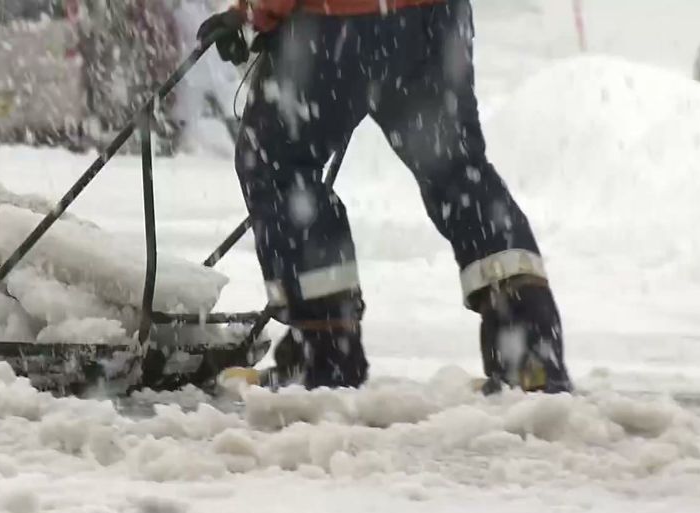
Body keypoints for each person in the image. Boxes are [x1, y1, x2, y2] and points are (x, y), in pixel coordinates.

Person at [199, 0, 572, 393]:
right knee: (457, 172)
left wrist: (257, 11)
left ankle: (326, 354)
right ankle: (531, 354)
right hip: (435, 20)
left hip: (340, 22)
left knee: (276, 163)